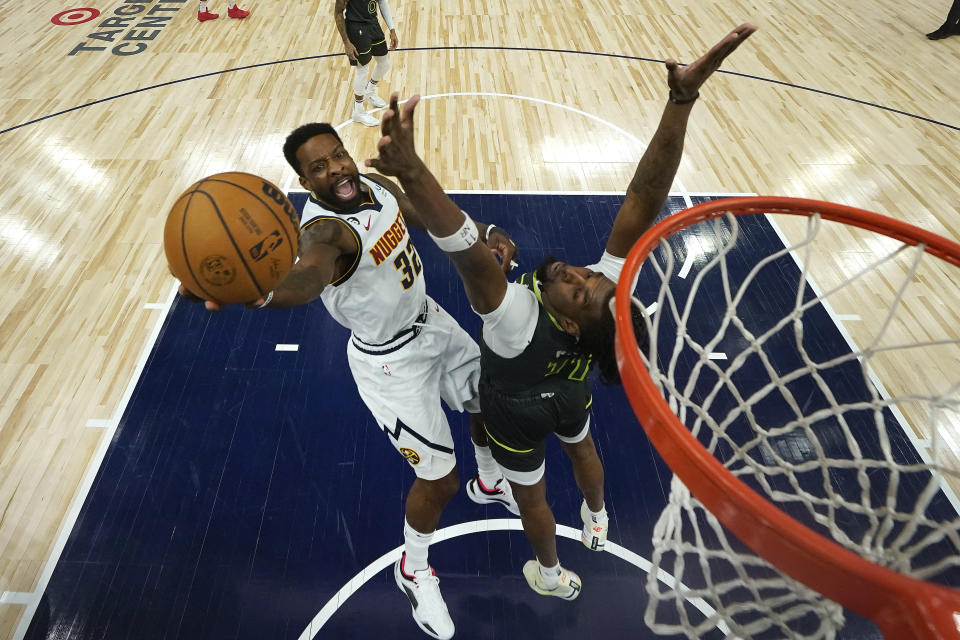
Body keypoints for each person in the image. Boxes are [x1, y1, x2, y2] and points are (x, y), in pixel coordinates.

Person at [366, 23, 757, 601]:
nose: (578, 273)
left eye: (577, 289)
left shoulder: (516, 316)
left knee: (534, 499)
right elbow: (645, 193)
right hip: (568, 393)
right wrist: (681, 100)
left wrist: (415, 173)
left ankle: (548, 575)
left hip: (515, 410)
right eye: (588, 276)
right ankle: (598, 518)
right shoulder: (605, 306)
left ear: (571, 322)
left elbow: (467, 253)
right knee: (583, 449)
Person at [178, 126, 520, 640]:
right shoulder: (326, 232)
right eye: (320, 167)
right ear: (303, 180)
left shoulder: (374, 186)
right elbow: (307, 276)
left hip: (430, 320)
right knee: (440, 481)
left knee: (489, 404)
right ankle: (414, 570)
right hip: (390, 365)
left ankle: (491, 481)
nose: (336, 168)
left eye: (337, 156)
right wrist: (258, 294)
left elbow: (421, 212)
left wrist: (483, 228)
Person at [335, 0, 399, 126]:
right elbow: (338, 13)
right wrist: (346, 42)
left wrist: (392, 29)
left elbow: (382, 2)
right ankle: (358, 111)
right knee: (362, 69)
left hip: (372, 23)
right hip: (356, 27)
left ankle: (369, 90)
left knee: (384, 63)